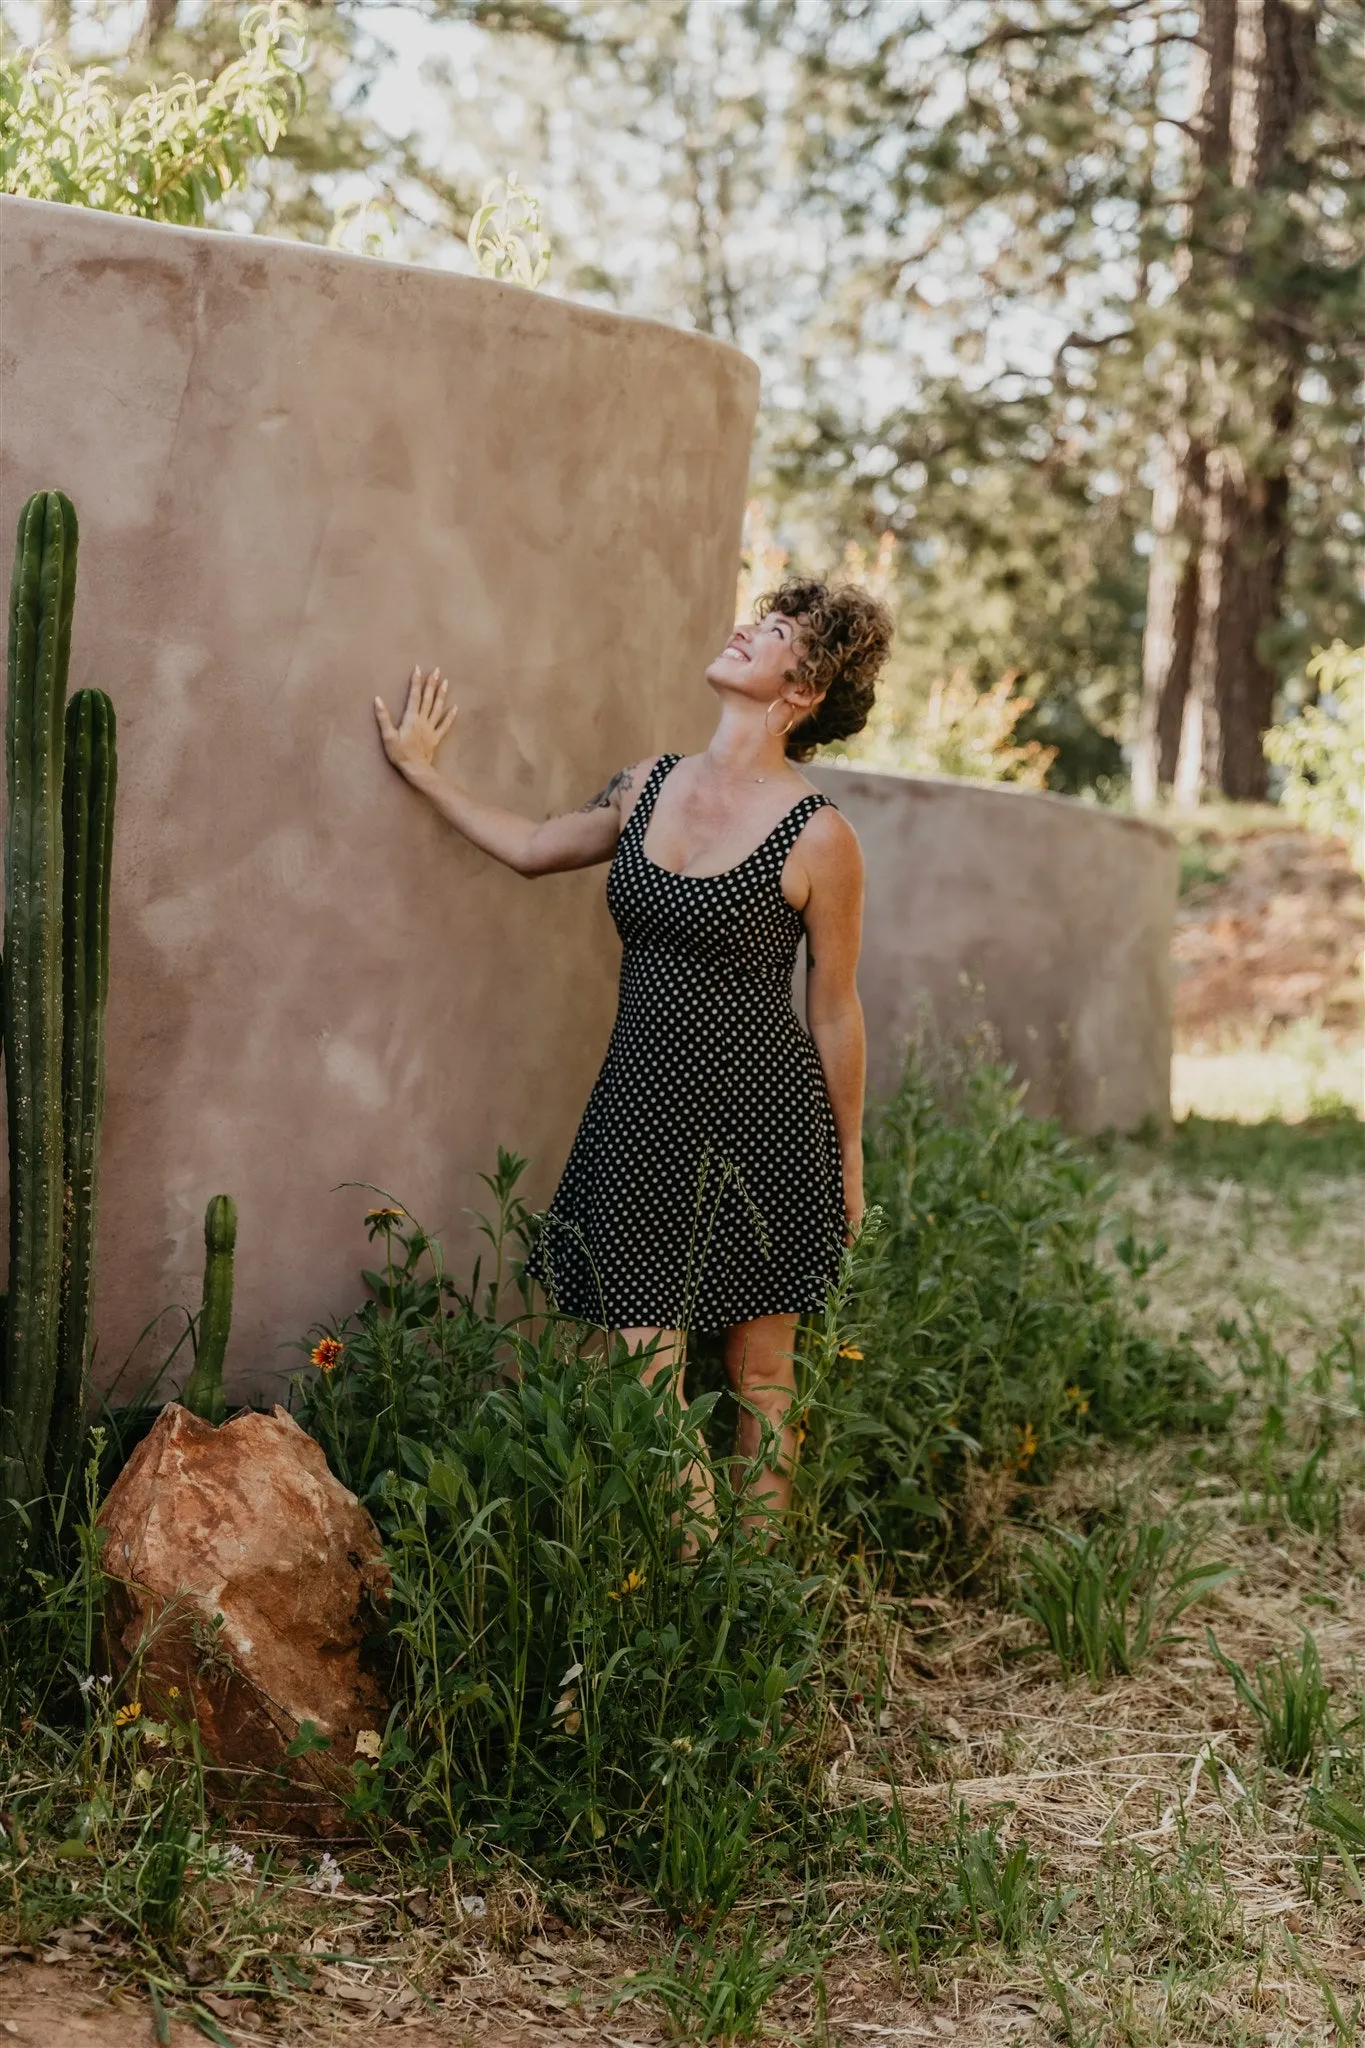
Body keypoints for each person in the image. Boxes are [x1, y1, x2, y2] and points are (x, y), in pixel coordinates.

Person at [373, 579, 893, 1523]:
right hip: (641, 1108)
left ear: (804, 687)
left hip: (766, 1116)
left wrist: (848, 1159)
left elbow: (834, 1011)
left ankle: (758, 1595)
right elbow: (533, 846)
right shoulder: (645, 782)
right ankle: (703, 1584)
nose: (743, 629)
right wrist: (422, 771)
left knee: (759, 1369)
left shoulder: (820, 836)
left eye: (772, 632)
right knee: (643, 1354)